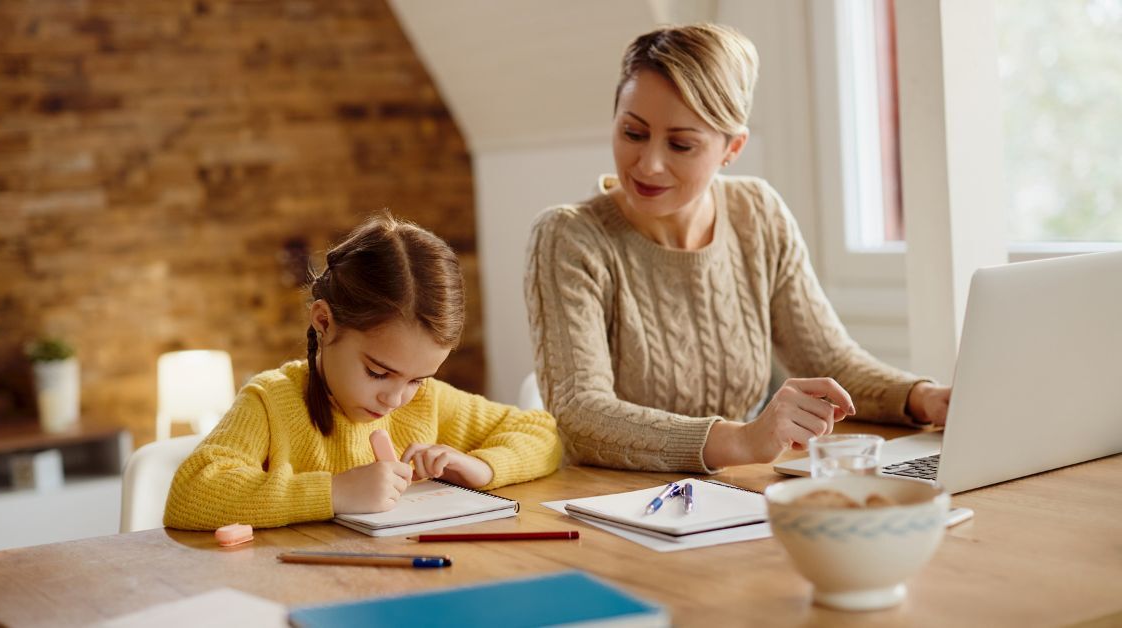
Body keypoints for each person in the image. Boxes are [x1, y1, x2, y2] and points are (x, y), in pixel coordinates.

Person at [524, 23, 951, 473]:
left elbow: (829, 361)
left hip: (731, 494)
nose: (648, 164)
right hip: (612, 503)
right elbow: (580, 413)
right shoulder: (567, 237)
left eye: (681, 144)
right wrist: (743, 440)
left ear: (732, 147)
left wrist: (923, 398)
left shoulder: (757, 213)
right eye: (633, 133)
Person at [166, 213, 561, 530]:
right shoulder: (271, 401)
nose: (395, 399)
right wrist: (334, 492)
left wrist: (481, 467)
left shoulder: (425, 402)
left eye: (417, 379)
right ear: (323, 322)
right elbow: (191, 493)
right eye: (377, 373)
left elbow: (543, 433)